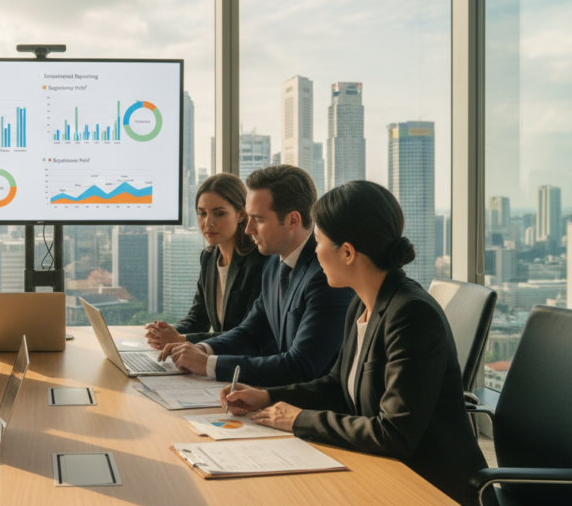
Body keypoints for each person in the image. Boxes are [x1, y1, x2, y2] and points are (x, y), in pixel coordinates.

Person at [219, 181, 492, 506]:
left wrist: (298, 418)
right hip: (382, 472)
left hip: (429, 487)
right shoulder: (362, 304)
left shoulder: (412, 315)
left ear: (347, 252)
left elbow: (394, 434)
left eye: (318, 242)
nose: (315, 252)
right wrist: (266, 396)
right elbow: (338, 386)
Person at [158, 165, 353, 386]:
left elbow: (302, 366)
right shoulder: (273, 265)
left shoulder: (325, 274)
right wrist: (201, 349)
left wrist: (208, 365)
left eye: (258, 219)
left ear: (292, 220)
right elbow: (252, 332)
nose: (248, 229)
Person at [145, 173, 269, 347]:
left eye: (219, 213)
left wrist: (183, 340)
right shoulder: (209, 257)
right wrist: (166, 331)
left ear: (241, 214)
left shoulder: (259, 261)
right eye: (202, 213)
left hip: (239, 362)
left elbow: (247, 333)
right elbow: (198, 318)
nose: (208, 222)